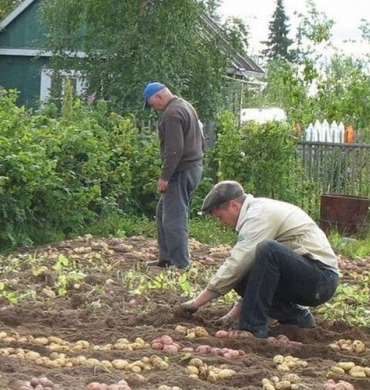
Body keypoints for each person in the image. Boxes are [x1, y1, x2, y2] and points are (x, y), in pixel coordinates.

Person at [177, 180, 340, 338]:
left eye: (220, 217)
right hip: (305, 276)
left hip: (321, 280)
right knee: (245, 272)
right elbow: (255, 275)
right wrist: (232, 315)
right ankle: (298, 318)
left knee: (267, 250)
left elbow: (238, 262)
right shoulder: (256, 212)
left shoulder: (258, 214)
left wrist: (196, 303)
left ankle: (253, 327)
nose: (221, 223)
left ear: (234, 205)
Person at [142, 82, 204, 269]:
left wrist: (165, 176)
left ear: (160, 96)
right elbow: (201, 139)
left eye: (152, 104)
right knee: (163, 213)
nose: (153, 109)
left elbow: (174, 150)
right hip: (192, 167)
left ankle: (180, 264)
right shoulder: (186, 106)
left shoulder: (171, 113)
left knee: (174, 218)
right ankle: (167, 259)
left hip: (180, 171)